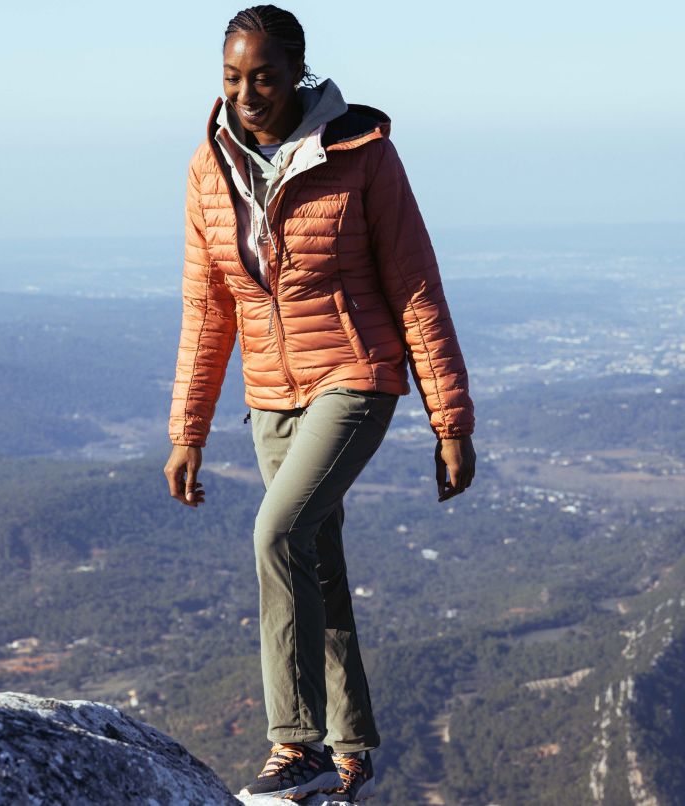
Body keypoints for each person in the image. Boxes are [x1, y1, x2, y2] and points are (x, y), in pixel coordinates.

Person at [164, 5, 476, 801]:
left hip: (355, 375)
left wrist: (451, 421)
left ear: (298, 71)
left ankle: (293, 743)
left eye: (263, 76)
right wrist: (188, 430)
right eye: (232, 77)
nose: (247, 93)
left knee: (276, 532)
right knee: (316, 563)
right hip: (269, 396)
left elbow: (415, 287)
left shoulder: (363, 154)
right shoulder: (210, 167)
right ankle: (351, 747)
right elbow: (208, 309)